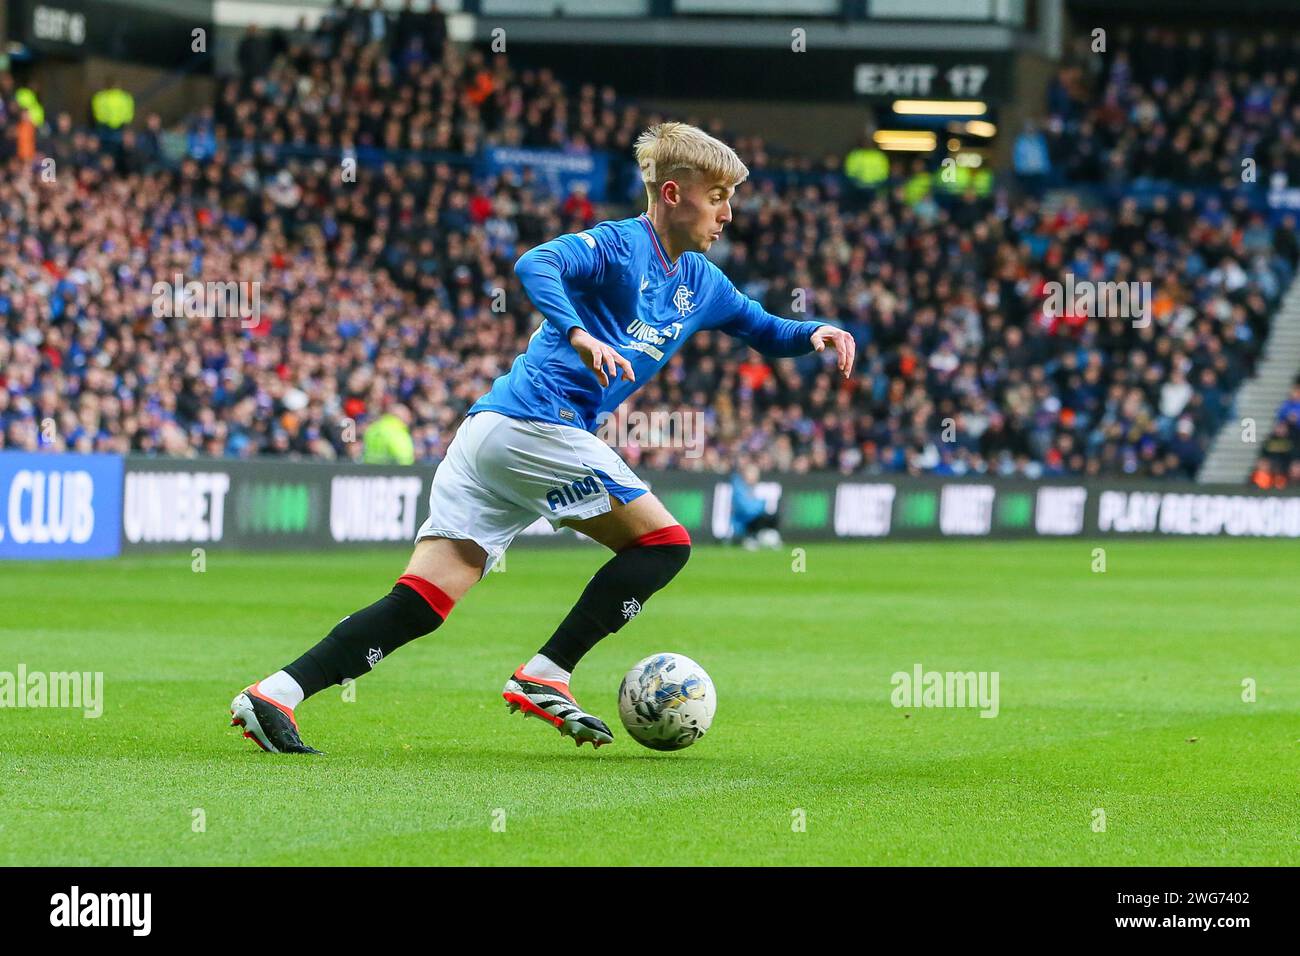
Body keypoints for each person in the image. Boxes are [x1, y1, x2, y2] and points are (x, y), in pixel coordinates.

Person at [230, 122, 855, 753]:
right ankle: (545, 674)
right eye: (719, 195)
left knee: (419, 602)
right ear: (672, 193)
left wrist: (816, 333)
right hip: (535, 424)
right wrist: (578, 331)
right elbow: (536, 262)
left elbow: (763, 328)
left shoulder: (703, 284)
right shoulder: (619, 245)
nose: (728, 212)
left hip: (491, 436)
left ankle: (274, 694)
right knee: (664, 545)